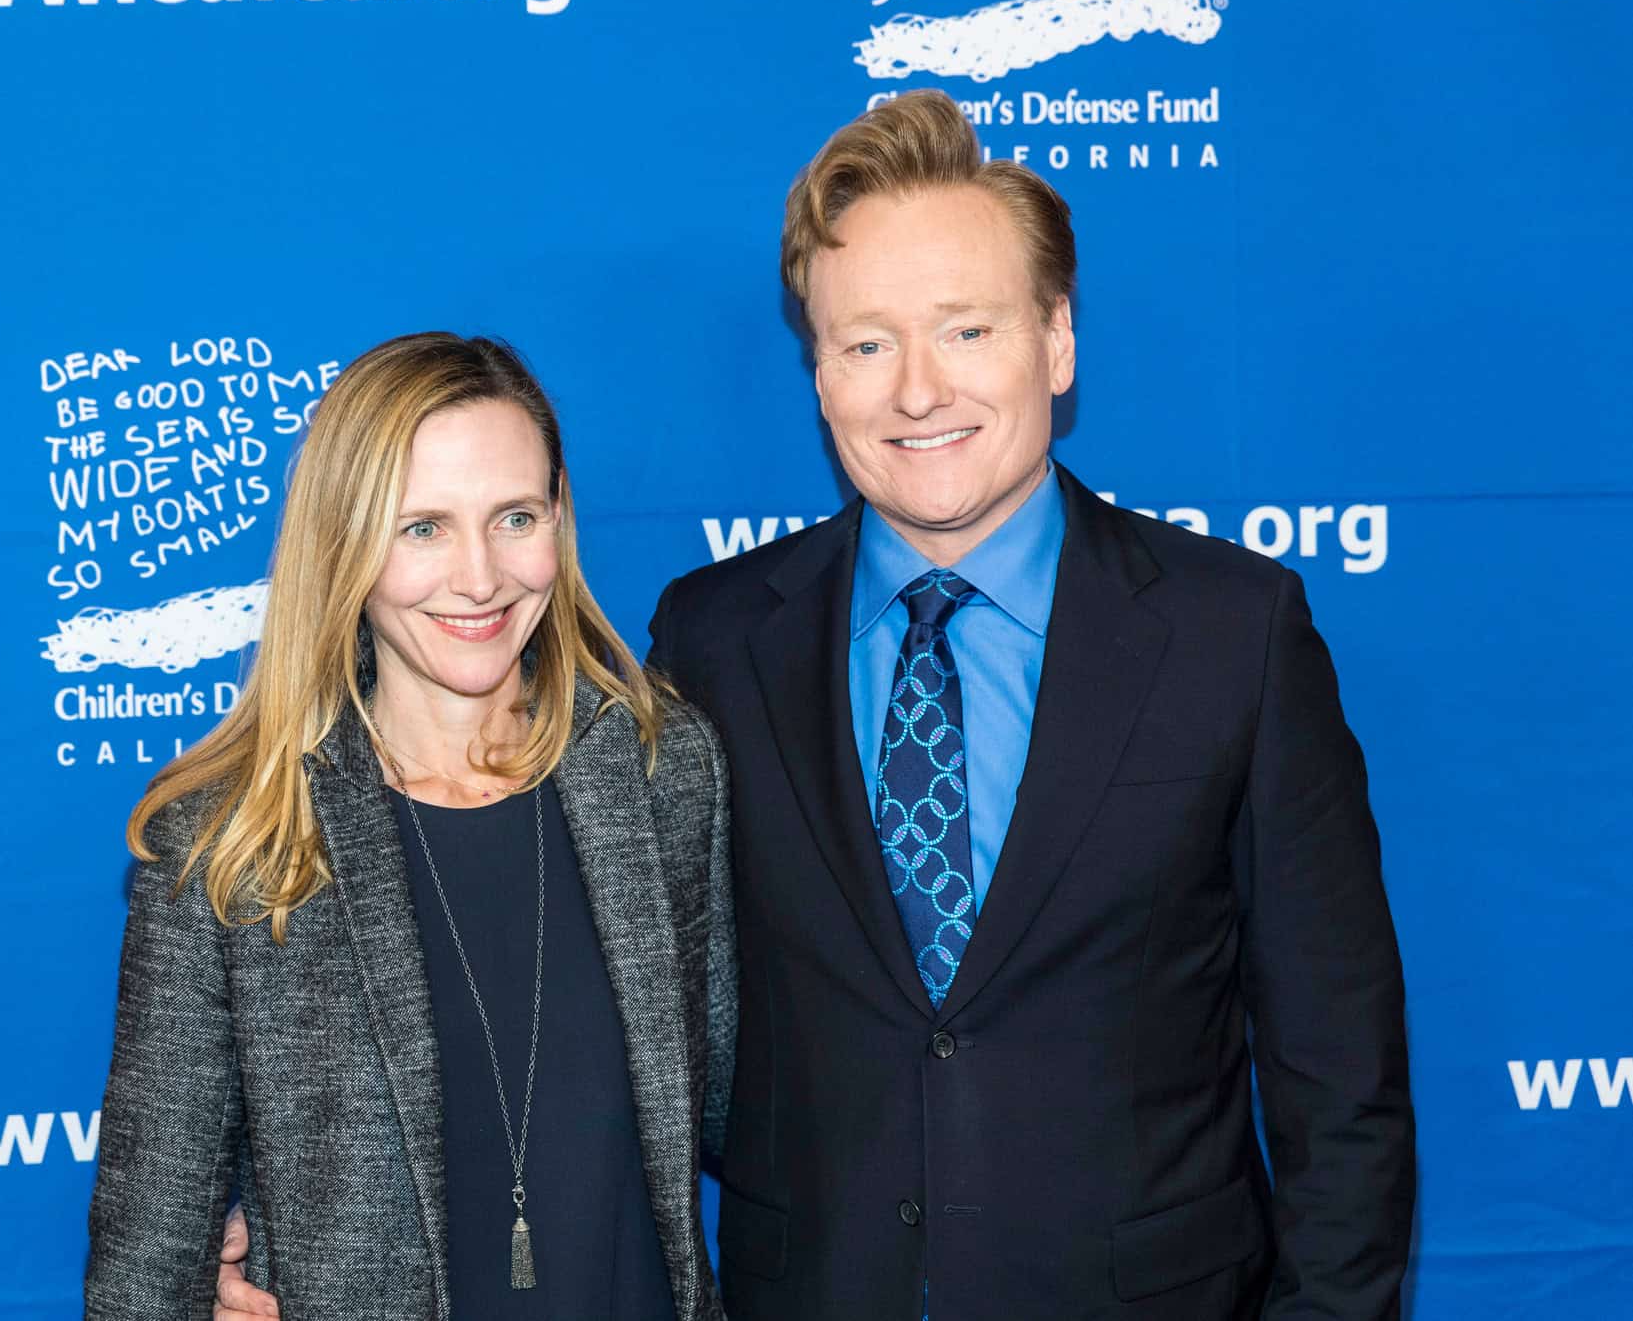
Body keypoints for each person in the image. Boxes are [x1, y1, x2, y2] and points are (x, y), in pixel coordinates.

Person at [218, 91, 1416, 1320]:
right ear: (820, 374)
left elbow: (1341, 1078)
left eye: (965, 330)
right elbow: (560, 981)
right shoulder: (714, 641)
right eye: (867, 344)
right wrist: (279, 1208)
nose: (918, 392)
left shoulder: (1232, 633)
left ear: (1056, 341)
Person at [86, 332, 735, 1321]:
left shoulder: (662, 769)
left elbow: (748, 1106)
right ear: (343, 542)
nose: (479, 577)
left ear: (559, 517)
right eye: (422, 527)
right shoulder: (234, 837)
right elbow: (148, 1250)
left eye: (514, 517)